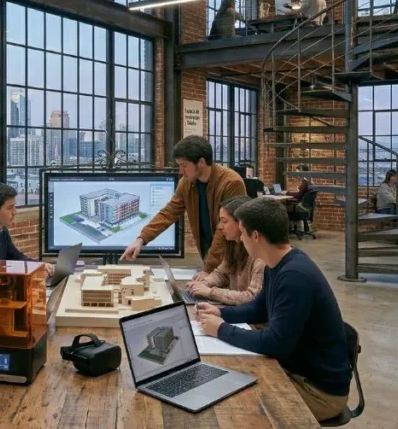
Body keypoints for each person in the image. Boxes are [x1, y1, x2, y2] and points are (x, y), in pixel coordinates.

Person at [196, 197, 351, 422]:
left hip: (319, 392)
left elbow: (275, 343)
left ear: (256, 236)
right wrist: (220, 313)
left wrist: (221, 329)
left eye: (242, 233)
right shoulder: (277, 264)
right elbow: (259, 309)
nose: (239, 239)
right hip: (299, 372)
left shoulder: (294, 277)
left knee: (234, 407)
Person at [120, 136, 246, 280]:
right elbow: (168, 213)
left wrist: (209, 268)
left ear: (201, 162)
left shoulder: (231, 183)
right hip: (208, 255)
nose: (181, 171)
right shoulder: (186, 183)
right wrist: (141, 239)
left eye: (184, 165)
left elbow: (222, 231)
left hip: (232, 258)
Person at [186, 195, 265, 305]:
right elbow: (221, 274)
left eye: (224, 221)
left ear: (241, 223)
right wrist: (203, 284)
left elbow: (251, 297)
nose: (219, 226)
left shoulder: (260, 256)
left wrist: (211, 292)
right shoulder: (234, 246)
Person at [0, 182, 54, 275]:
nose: (15, 212)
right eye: (10, 208)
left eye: (15, 207)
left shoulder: (2, 229)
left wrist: (38, 266)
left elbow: (14, 256)